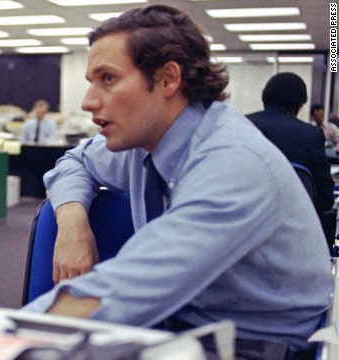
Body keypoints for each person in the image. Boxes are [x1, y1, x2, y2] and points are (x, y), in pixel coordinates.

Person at [22, 4, 333, 358]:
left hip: (256, 346)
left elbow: (130, 287)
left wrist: (2, 343)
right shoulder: (141, 145)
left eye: (108, 79)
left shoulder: (233, 162)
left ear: (168, 79)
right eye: (91, 82)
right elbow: (74, 160)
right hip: (177, 327)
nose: (88, 101)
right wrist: (72, 222)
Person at [246, 72, 334, 214]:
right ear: (298, 106)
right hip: (294, 226)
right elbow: (325, 199)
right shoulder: (311, 134)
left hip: (242, 225)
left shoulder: (240, 125)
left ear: (265, 100)